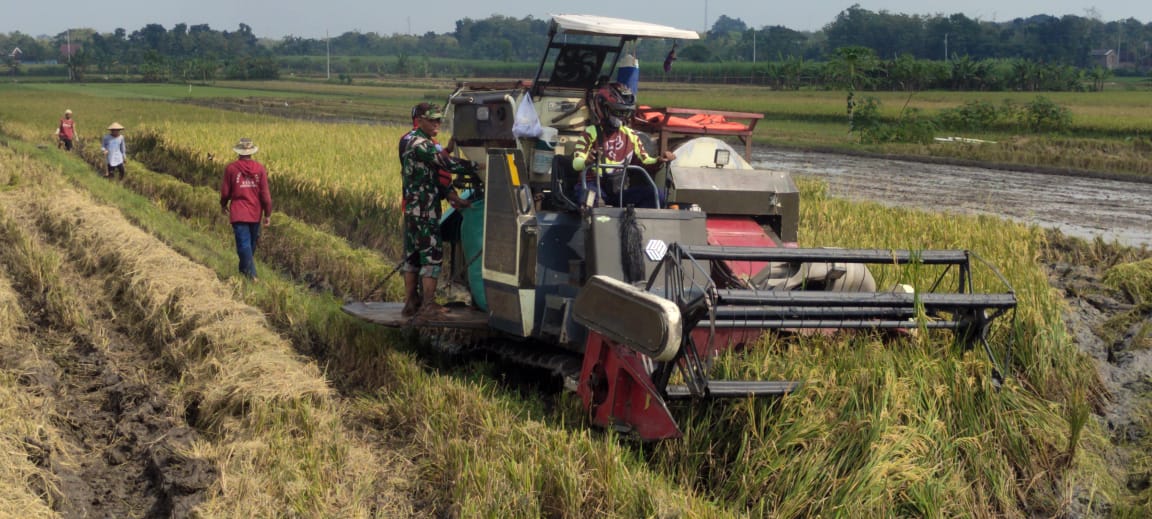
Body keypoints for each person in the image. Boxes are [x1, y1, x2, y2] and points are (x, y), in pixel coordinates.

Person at [399, 102, 474, 321]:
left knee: (413, 256)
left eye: (439, 120)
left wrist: (450, 194)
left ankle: (411, 303)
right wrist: (478, 166)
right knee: (431, 256)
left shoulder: (412, 141)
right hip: (425, 210)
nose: (437, 124)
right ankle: (428, 305)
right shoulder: (420, 144)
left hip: (413, 209)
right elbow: (446, 164)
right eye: (432, 120)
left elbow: (433, 172)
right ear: (420, 120)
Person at [571, 82, 674, 208]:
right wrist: (587, 161)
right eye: (619, 112)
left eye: (626, 113)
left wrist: (660, 160)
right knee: (590, 199)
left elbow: (645, 161)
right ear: (604, 109)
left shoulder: (631, 135)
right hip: (592, 185)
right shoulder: (590, 132)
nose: (623, 117)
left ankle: (637, 221)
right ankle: (592, 219)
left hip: (618, 190)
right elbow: (576, 163)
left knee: (657, 195)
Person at [220, 138, 272, 281]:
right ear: (251, 152)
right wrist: (267, 214)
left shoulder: (231, 169)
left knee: (247, 245)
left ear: (239, 152)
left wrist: (223, 204)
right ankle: (251, 275)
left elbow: (225, 192)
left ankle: (246, 273)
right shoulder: (260, 169)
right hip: (255, 213)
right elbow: (265, 195)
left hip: (239, 212)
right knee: (247, 245)